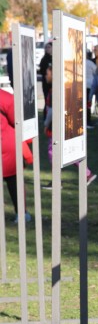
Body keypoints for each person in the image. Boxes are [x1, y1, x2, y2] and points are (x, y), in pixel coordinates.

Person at [0, 88, 33, 223]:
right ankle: (22, 213)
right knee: (14, 181)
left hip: (6, 145)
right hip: (8, 144)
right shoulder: (5, 97)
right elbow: (17, 120)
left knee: (14, 181)